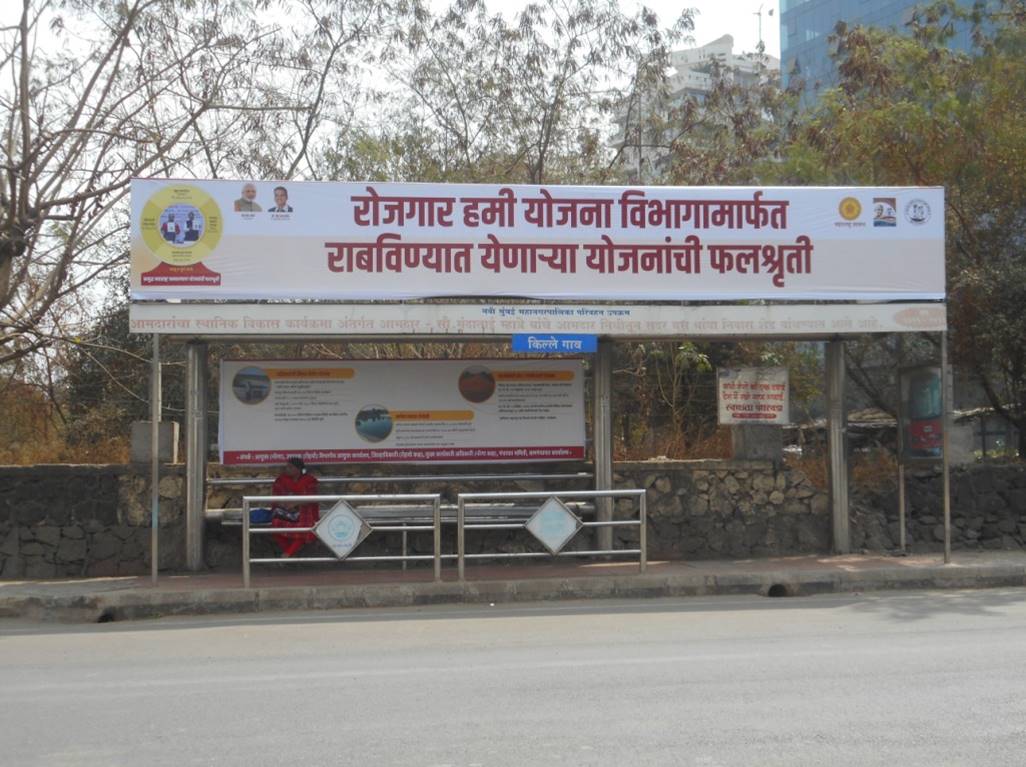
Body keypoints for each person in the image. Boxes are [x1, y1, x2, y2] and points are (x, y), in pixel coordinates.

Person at [270, 457, 319, 557]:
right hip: (285, 511)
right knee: (275, 524)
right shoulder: (281, 480)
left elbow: (312, 498)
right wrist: (285, 504)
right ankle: (290, 552)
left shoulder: (309, 481)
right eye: (286, 467)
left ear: (298, 469)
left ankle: (288, 553)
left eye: (290, 467)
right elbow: (276, 497)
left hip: (304, 510)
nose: (287, 469)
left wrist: (296, 503)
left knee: (304, 526)